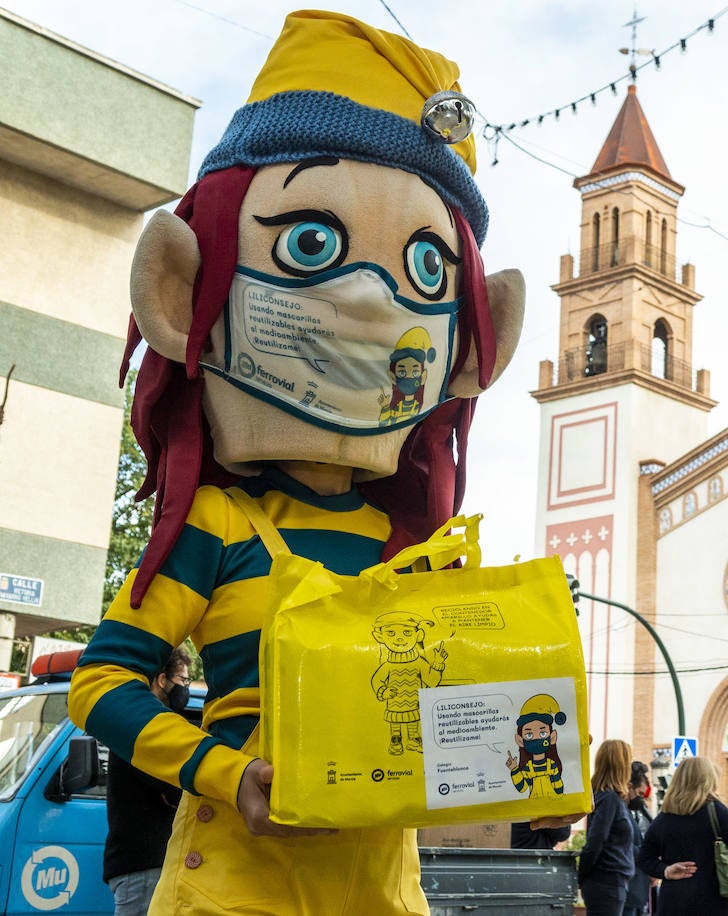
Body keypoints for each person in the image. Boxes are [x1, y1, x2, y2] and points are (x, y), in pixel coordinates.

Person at [67, 10, 526, 914]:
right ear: (178, 291)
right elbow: (101, 681)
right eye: (308, 244)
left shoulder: (417, 555)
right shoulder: (215, 526)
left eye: (426, 271)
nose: (366, 300)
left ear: (475, 352)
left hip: (383, 894)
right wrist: (224, 772)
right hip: (236, 893)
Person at [103, 646, 193, 916]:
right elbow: (175, 789)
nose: (185, 688)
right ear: (162, 680)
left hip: (140, 863)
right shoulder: (148, 725)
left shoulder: (134, 719)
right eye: (183, 681)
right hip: (144, 864)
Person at [636, 756, 728, 916]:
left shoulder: (664, 817)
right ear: (708, 780)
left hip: (672, 903)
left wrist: (666, 870)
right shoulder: (716, 811)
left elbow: (644, 859)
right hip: (711, 901)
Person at [578, 740, 636, 915]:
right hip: (606, 882)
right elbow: (597, 839)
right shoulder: (609, 798)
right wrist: (581, 876)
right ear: (621, 765)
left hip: (608, 882)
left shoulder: (608, 797)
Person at [623, 761, 655, 916]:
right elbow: (625, 845)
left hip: (638, 889)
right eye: (640, 794)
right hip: (628, 889)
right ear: (629, 787)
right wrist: (648, 857)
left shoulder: (638, 811)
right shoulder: (620, 810)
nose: (641, 799)